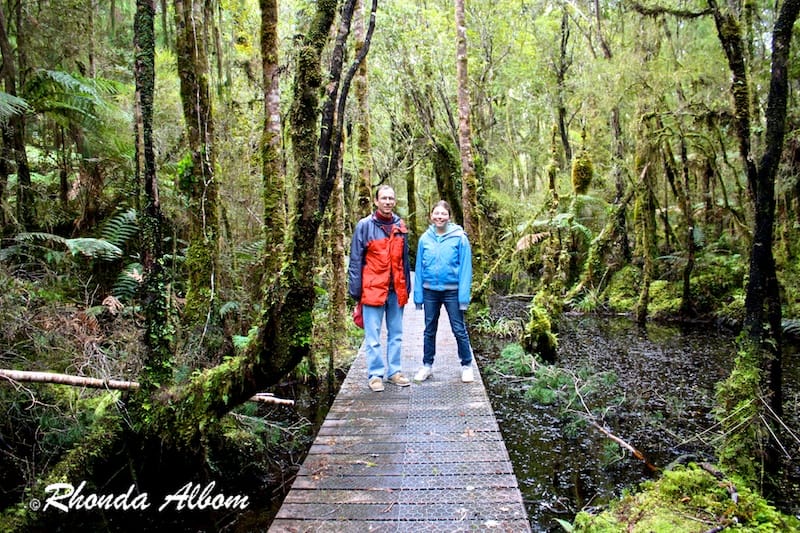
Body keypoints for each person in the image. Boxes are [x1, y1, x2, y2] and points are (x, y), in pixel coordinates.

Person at [349, 185, 412, 392]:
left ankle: (394, 372)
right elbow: (356, 260)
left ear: (394, 202)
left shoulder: (400, 226)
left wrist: (407, 288)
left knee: (396, 333)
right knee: (373, 336)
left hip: (395, 290)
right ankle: (375, 375)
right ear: (376, 201)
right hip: (372, 289)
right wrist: (356, 291)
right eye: (383, 198)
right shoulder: (364, 226)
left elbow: (405, 261)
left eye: (391, 198)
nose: (387, 202)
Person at [413, 200, 476, 383]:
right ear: (431, 216)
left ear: (449, 216)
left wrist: (463, 297)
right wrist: (418, 296)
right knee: (429, 330)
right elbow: (419, 268)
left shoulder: (460, 238)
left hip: (452, 292)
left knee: (458, 329)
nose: (439, 217)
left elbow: (466, 268)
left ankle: (466, 365)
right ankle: (427, 365)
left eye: (443, 214)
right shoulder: (425, 238)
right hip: (430, 291)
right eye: (436, 213)